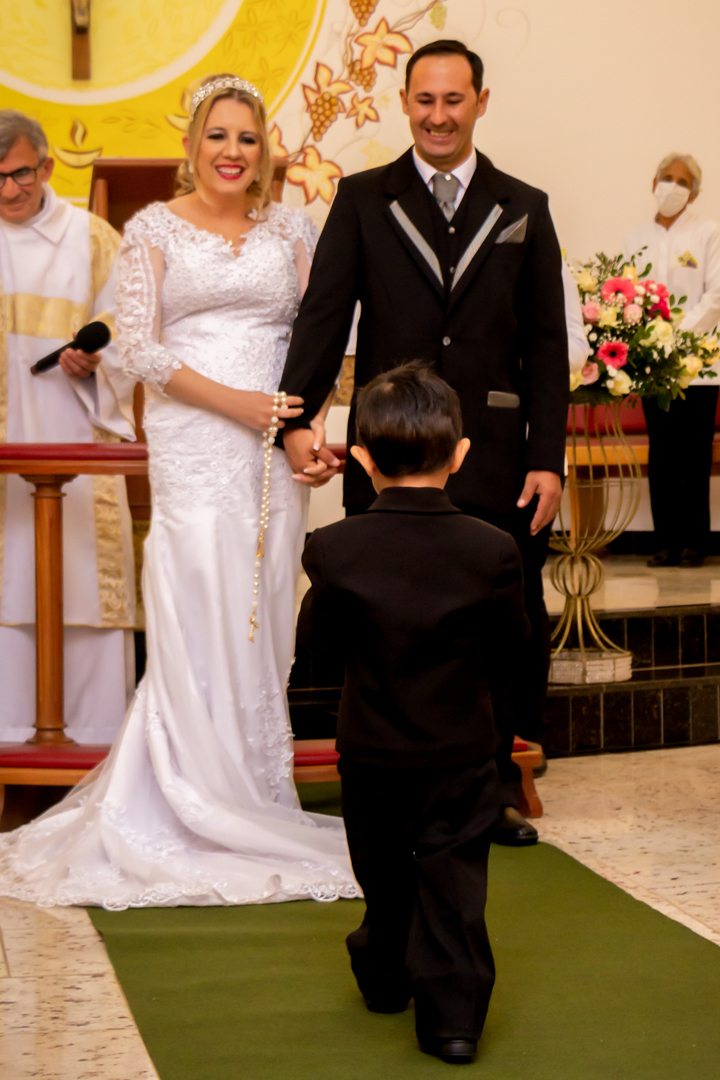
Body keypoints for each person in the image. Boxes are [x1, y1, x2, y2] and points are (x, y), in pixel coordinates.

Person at [0, 75, 358, 909]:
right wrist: (239, 406)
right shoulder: (152, 229)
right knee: (199, 597)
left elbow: (322, 333)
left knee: (263, 607)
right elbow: (139, 348)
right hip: (198, 440)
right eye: (216, 136)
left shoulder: (293, 230)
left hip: (273, 448)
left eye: (247, 137)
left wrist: (306, 428)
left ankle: (256, 795)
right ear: (192, 147)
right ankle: (188, 798)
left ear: (264, 150)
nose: (232, 152)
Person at [280, 40, 569, 846]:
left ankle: (492, 788)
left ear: (481, 100)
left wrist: (549, 457)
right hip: (391, 449)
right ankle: (382, 779)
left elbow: (547, 345)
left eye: (454, 100)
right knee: (388, 622)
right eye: (425, 100)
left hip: (497, 453)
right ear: (405, 102)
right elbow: (326, 315)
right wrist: (299, 419)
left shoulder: (525, 206)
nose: (438, 116)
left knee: (501, 623)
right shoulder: (365, 199)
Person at [302, 363, 527, 1064]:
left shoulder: (333, 548)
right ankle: (453, 1021)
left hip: (369, 749)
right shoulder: (492, 549)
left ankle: (384, 971)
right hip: (461, 749)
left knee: (385, 872)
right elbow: (512, 654)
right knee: (454, 879)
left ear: (362, 458)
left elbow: (316, 656)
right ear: (461, 454)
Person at [0, 110, 137, 743]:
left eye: (20, 174)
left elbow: (134, 338)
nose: (8, 190)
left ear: (47, 167)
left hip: (77, 451)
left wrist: (94, 363)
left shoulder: (93, 240)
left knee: (82, 594)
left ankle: (92, 763)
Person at [624, 153, 720, 567]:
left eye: (682, 182)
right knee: (662, 451)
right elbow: (626, 296)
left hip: (698, 364)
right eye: (667, 178)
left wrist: (675, 339)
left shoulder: (709, 233)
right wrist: (651, 343)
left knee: (695, 452)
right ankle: (664, 541)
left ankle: (695, 541)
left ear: (694, 193)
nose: (672, 187)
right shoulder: (635, 238)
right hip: (652, 367)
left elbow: (715, 297)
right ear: (653, 182)